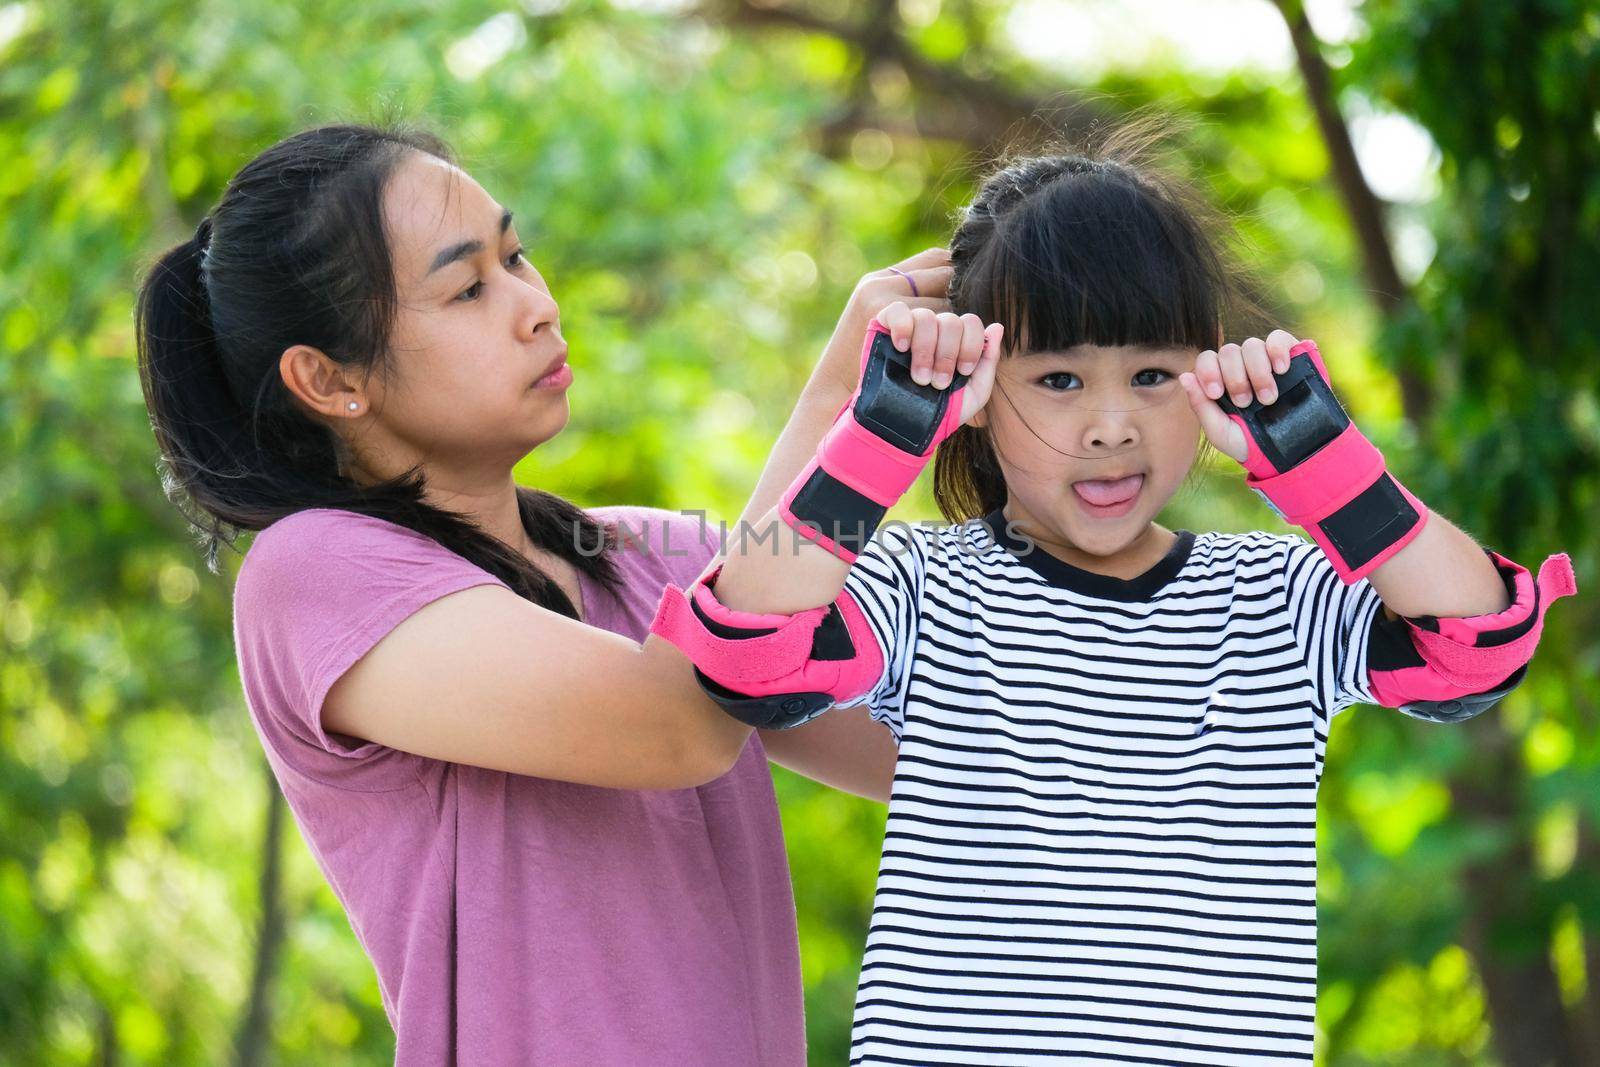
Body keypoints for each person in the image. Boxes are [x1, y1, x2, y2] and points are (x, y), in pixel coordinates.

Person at [648, 129, 1578, 1064]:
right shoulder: (922, 586)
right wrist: (879, 430)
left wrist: (1329, 468)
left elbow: (1475, 647)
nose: (1109, 427)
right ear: (975, 389)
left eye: (1149, 375)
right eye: (1058, 379)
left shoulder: (1276, 599)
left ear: (1207, 373)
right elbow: (750, 651)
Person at [134, 119, 968, 1065]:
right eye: (468, 286)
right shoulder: (314, 573)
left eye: (517, 255)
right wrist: (861, 425)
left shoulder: (653, 557)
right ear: (328, 379)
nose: (535, 304)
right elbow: (681, 721)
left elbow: (945, 754)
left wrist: (1066, 421)